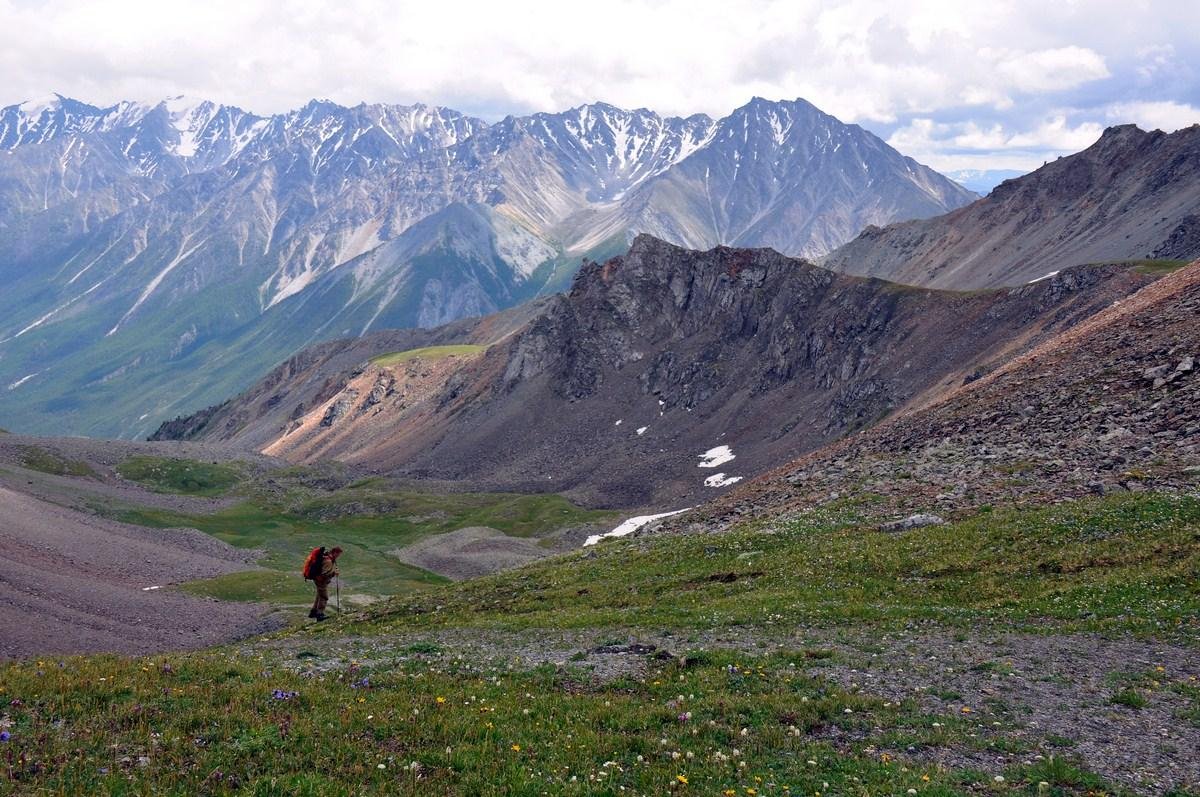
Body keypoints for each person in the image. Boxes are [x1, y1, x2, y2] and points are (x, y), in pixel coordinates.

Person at [309, 546, 342, 621]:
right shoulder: (328, 561)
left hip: (317, 579)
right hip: (321, 581)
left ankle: (313, 612)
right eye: (338, 554)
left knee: (319, 595)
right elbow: (324, 574)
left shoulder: (326, 557)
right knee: (324, 597)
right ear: (334, 552)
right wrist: (334, 573)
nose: (338, 556)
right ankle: (320, 614)